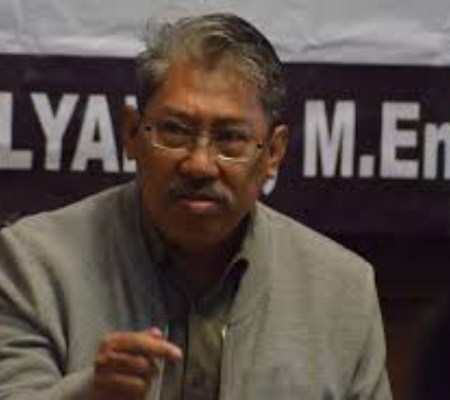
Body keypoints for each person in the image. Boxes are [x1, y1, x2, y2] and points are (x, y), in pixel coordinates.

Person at [0, 13, 391, 400]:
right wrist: (88, 395)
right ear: (132, 134)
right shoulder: (34, 264)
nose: (200, 165)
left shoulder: (343, 291)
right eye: (175, 131)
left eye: (230, 138)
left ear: (273, 153)